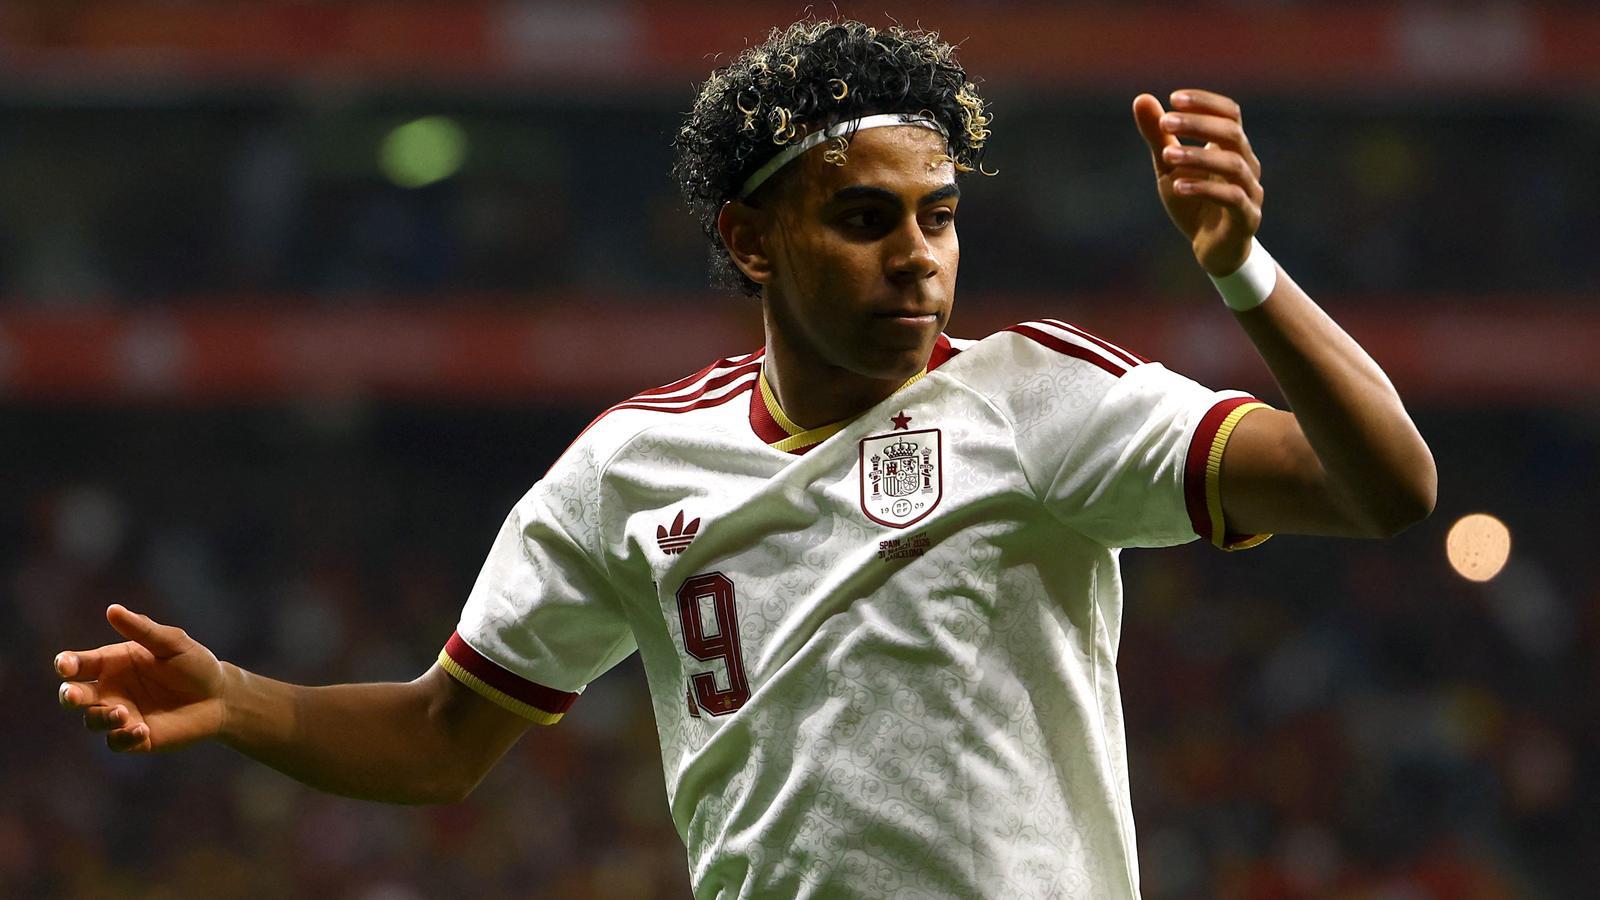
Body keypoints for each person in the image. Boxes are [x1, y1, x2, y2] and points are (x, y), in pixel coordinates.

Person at [54, 19, 1435, 899]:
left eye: (939, 216)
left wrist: (1244, 270)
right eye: (865, 217)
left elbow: (1386, 490)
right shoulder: (628, 471)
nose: (918, 254)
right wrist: (237, 699)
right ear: (751, 243)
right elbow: (438, 738)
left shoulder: (1042, 402)